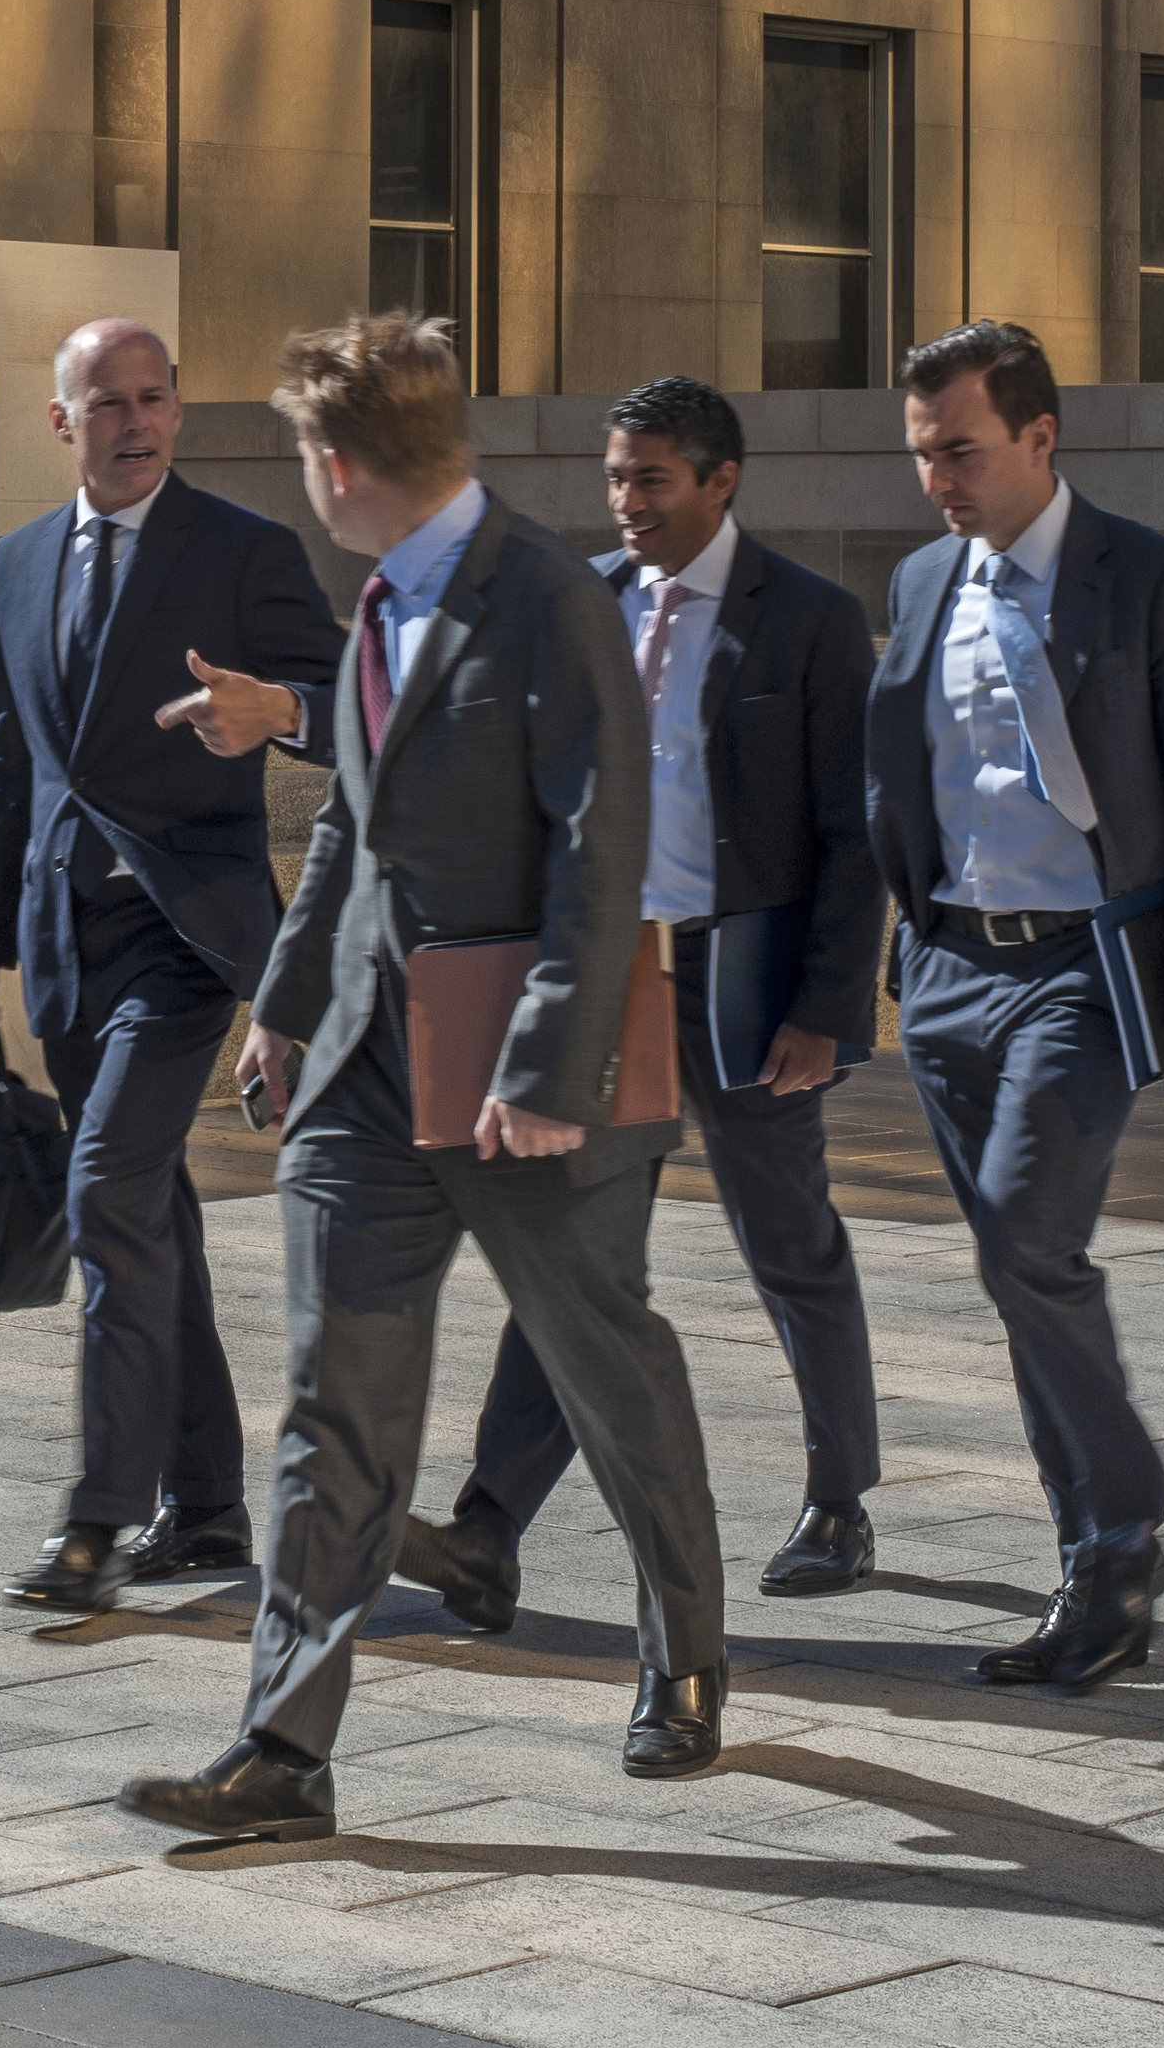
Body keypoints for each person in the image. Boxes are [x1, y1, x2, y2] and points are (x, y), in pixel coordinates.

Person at [120, 311, 728, 1847]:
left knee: (609, 1372)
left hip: (525, 1077)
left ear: (338, 467)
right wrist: (288, 1000)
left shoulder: (546, 599)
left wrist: (545, 1067)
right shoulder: (382, 592)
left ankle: (687, 1657)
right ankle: (282, 1752)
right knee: (335, 1406)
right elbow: (352, 831)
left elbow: (609, 843)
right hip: (369, 1073)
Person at [402, 376, 888, 1639]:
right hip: (606, 978)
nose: (624, 501)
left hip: (747, 984)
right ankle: (488, 1527)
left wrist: (826, 1007)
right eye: (615, 476)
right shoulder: (589, 603)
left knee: (790, 1245)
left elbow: (854, 833)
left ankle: (839, 1496)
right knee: (568, 1260)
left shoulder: (812, 623)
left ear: (720, 481)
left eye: (650, 478)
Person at [868, 318, 1164, 1693]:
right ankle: (1096, 1552)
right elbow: (898, 772)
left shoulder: (1152, 580)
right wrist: (901, 953)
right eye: (922, 455)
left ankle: (1122, 1523)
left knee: (1030, 1241)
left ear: (1042, 437)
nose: (939, 481)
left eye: (961, 450)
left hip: (1085, 972)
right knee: (1014, 1268)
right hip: (950, 971)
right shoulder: (923, 582)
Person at [0, 317, 343, 1616]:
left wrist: (274, 714)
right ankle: (209, 1507)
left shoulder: (245, 553)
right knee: (151, 1219)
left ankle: (98, 1523)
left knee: (109, 1191)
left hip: (187, 940)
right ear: (63, 421)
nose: (136, 422)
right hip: (62, 946)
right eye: (107, 403)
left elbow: (357, 713)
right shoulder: (17, 564)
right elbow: (9, 766)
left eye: (155, 398)